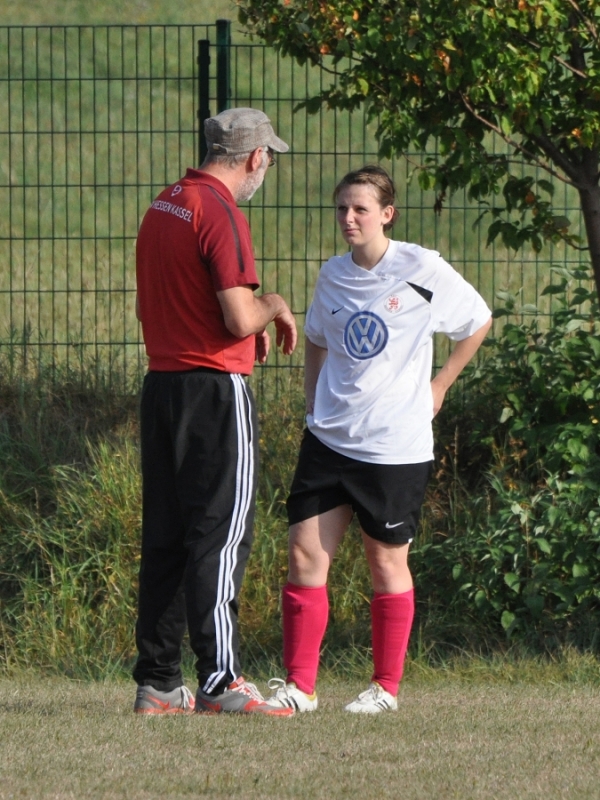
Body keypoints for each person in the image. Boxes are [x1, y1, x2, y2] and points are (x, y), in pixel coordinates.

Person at [267, 165, 492, 714]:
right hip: (328, 440)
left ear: (386, 214)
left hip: (394, 447)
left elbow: (477, 320)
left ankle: (385, 689)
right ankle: (300, 687)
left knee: (385, 564)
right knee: (302, 555)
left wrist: (440, 386)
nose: (348, 218)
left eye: (360, 209)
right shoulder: (332, 276)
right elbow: (317, 340)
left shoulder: (421, 267)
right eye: (341, 207)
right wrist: (313, 402)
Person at [133, 108, 297, 717]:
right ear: (254, 157)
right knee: (221, 536)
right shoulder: (220, 211)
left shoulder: (165, 203)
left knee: (169, 538)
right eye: (269, 158)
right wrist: (274, 302)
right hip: (214, 390)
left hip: (163, 386)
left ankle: (157, 683)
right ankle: (220, 680)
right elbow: (237, 316)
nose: (268, 167)